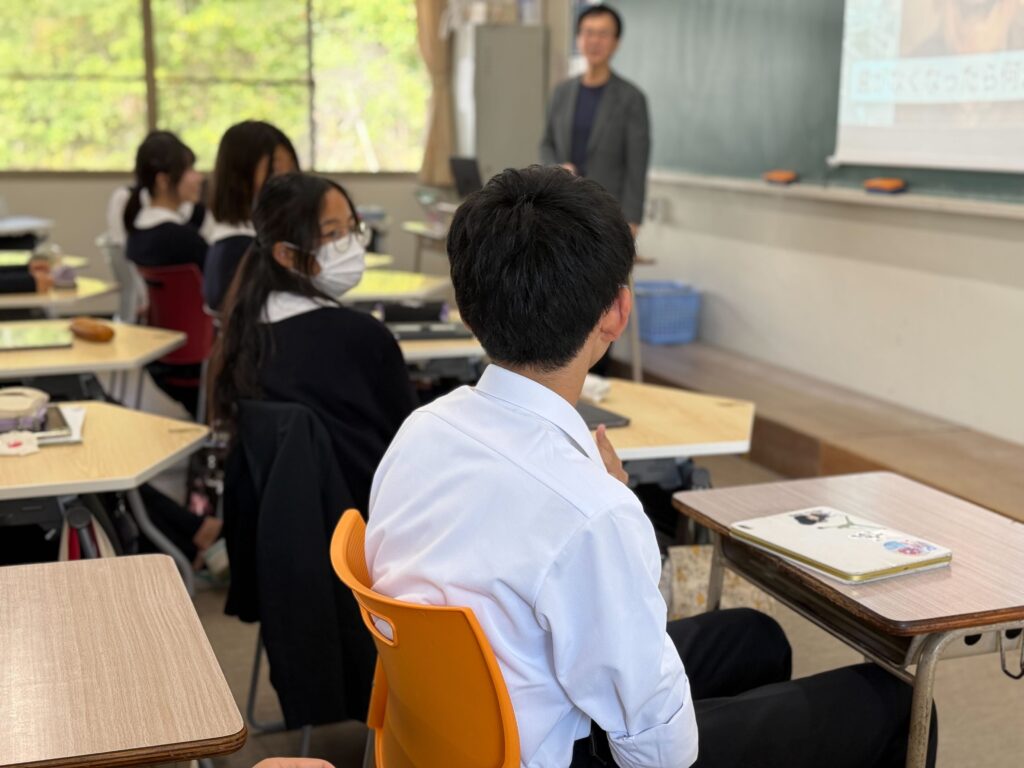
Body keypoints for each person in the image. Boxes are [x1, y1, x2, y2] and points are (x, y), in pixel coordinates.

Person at [365, 166, 936, 768]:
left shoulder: (420, 430)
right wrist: (616, 511)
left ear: (466, 308)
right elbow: (664, 752)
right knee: (894, 704)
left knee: (754, 636)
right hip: (554, 754)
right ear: (617, 312)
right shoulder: (594, 512)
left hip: (445, 734)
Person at [210, 172, 417, 513]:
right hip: (365, 521)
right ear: (286, 254)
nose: (351, 244)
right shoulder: (361, 337)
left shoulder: (244, 328)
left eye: (352, 228)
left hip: (278, 527)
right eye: (332, 234)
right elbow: (410, 440)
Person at [540, 4, 649, 238]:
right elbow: (546, 143)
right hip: (561, 208)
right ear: (578, 39)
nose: (595, 41)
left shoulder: (631, 98)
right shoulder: (561, 93)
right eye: (588, 33)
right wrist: (556, 168)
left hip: (607, 214)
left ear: (616, 43)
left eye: (603, 34)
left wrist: (631, 219)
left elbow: (637, 165)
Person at [204, 121, 300, 311]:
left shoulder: (237, 242)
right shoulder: (240, 250)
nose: (290, 184)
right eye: (275, 172)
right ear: (240, 177)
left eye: (292, 172)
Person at [123, 131, 208, 271]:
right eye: (189, 170)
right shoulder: (184, 239)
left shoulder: (136, 230)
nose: (199, 177)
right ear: (163, 181)